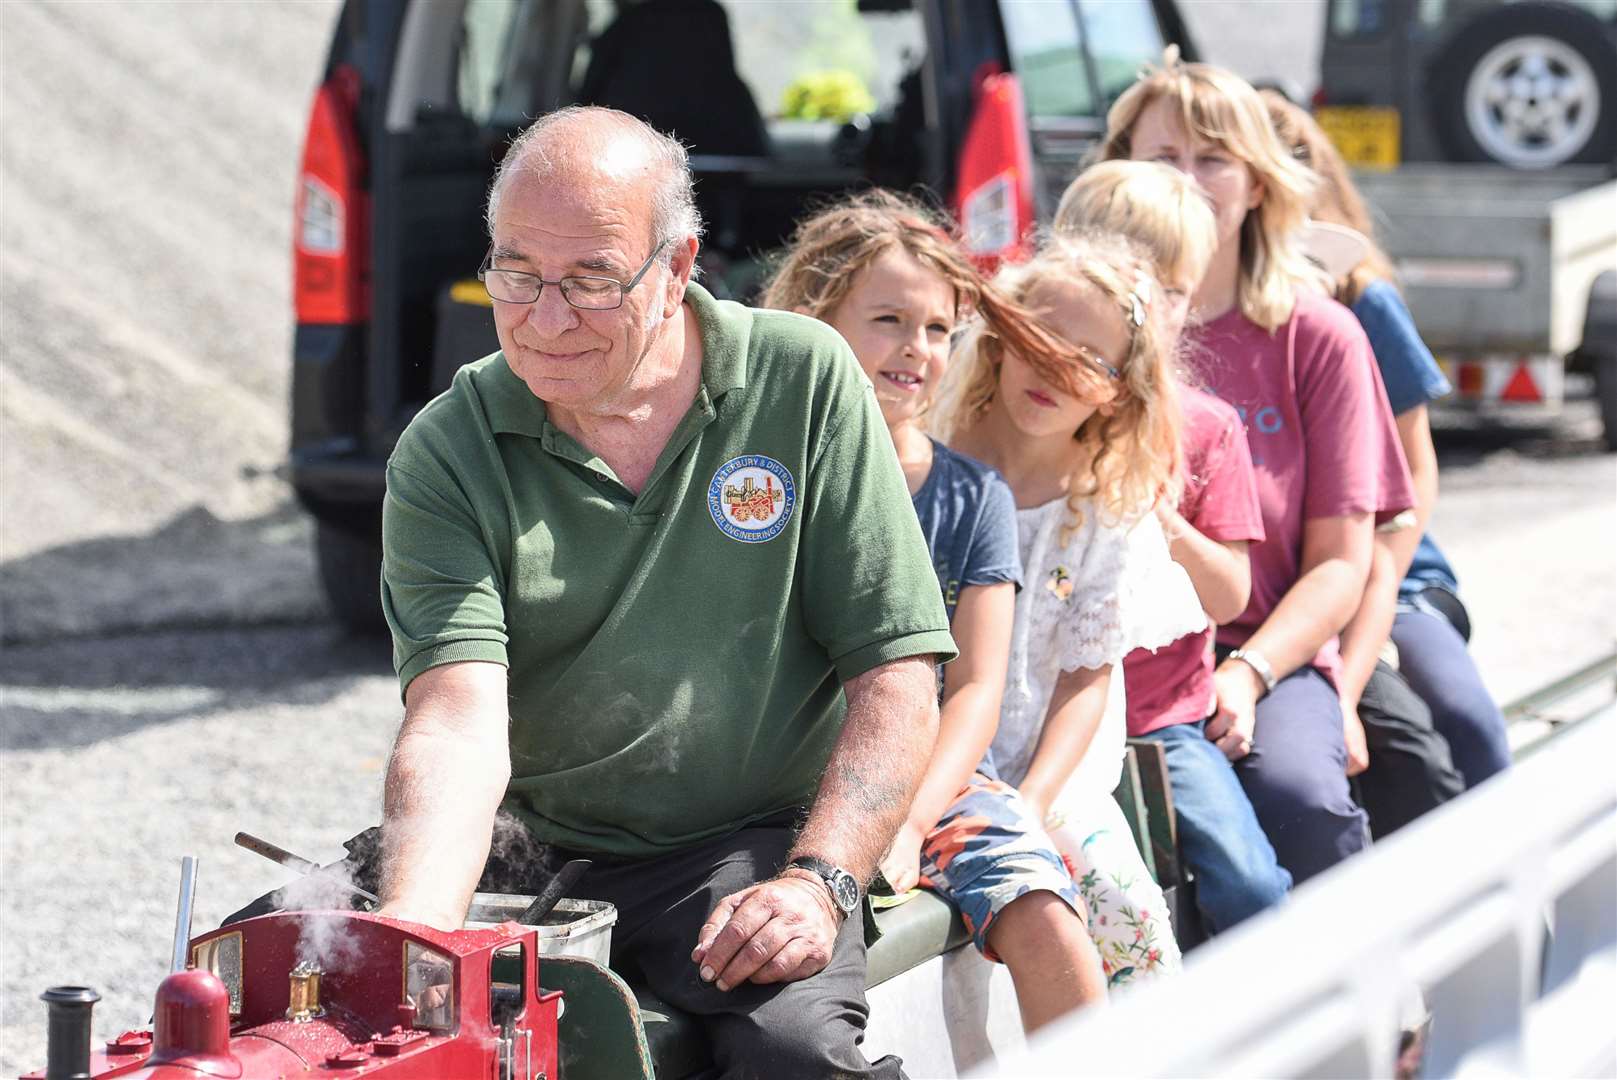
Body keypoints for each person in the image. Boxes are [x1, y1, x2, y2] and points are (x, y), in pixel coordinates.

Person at [376, 106, 956, 1079]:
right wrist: (416, 935)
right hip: (528, 845)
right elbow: (454, 719)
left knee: (796, 1052)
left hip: (742, 846)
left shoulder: (802, 379)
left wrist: (819, 883)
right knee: (276, 981)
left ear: (678, 267)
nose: (545, 317)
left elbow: (897, 676)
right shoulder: (449, 445)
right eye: (515, 273)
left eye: (592, 279)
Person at [761, 190, 1108, 1030]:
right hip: (770, 771)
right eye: (887, 319)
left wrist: (912, 819)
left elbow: (978, 687)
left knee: (1049, 921)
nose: (914, 348)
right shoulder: (761, 471)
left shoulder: (971, 495)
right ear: (815, 315)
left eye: (937, 329)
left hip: (928, 781)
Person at [1100, 54, 1416, 884]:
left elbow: (1345, 562)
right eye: (1161, 158)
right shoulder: (1074, 331)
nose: (1188, 181)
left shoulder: (1317, 336)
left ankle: (1358, 1001)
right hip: (1103, 659)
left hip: (1258, 650)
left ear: (1257, 183)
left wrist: (1249, 673)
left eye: (1212, 159)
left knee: (1302, 798)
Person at [930, 235, 1204, 986]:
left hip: (1045, 777)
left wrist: (1034, 801)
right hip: (927, 761)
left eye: (1091, 359)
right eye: (1042, 339)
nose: (1058, 369)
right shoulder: (923, 459)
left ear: (1118, 390)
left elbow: (1085, 681)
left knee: (1124, 911)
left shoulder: (1104, 510)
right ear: (1000, 336)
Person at [1054, 161, 1292, 933]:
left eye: (1173, 288)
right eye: (1126, 279)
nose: (1148, 307)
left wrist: (1166, 524)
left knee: (1251, 888)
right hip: (1037, 717)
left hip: (1159, 719)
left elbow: (1230, 595)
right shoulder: (1026, 413)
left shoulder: (1203, 426)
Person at [1265, 92, 1507, 813]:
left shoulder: (1359, 300)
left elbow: (1415, 471)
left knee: (1466, 722)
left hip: (1388, 576)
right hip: (1282, 581)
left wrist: (1364, 605)